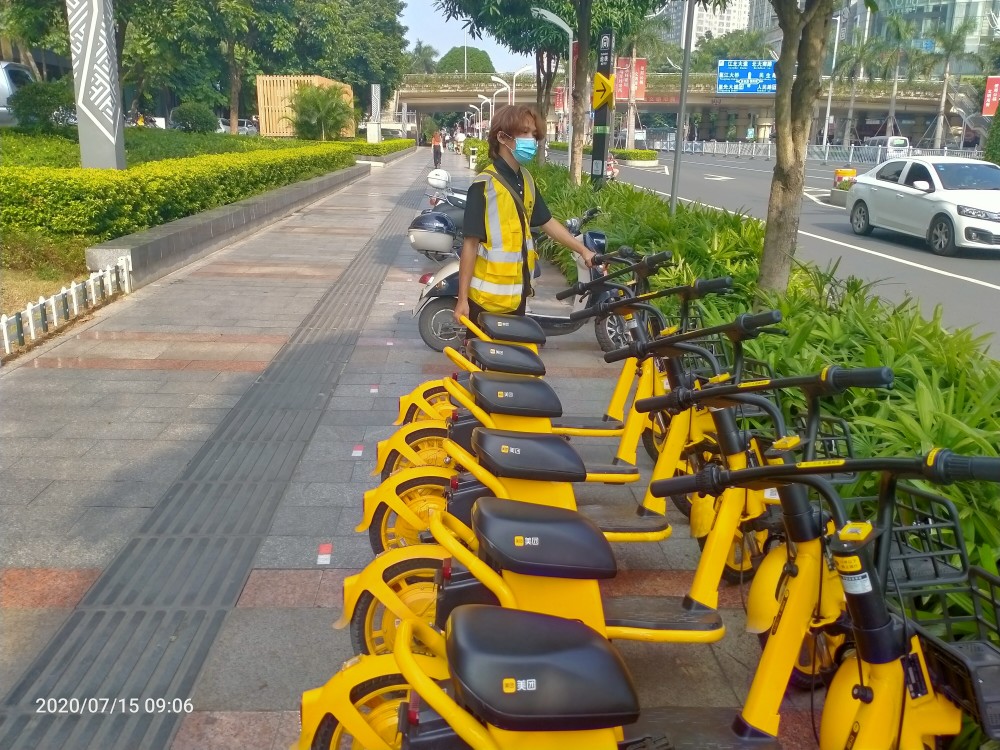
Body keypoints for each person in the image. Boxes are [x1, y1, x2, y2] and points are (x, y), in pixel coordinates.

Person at [455, 104, 596, 329]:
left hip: (518, 294)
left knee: (512, 362)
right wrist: (462, 300)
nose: (531, 139)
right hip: (485, 301)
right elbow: (470, 245)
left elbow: (547, 221)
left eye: (533, 133)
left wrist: (583, 250)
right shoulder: (484, 185)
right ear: (502, 137)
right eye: (524, 132)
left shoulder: (526, 179)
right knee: (485, 362)